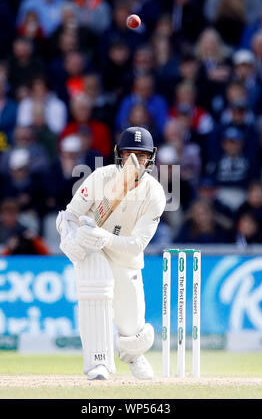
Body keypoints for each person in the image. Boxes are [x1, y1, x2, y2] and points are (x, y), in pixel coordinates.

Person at [56, 126, 166, 380]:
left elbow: (137, 245)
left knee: (132, 326)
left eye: (141, 156)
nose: (134, 162)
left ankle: (133, 354)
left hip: (125, 257)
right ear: (118, 154)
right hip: (93, 251)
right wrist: (71, 238)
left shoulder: (155, 194)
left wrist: (103, 236)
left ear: (151, 158)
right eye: (129, 154)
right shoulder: (100, 177)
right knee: (95, 287)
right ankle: (99, 363)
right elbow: (69, 216)